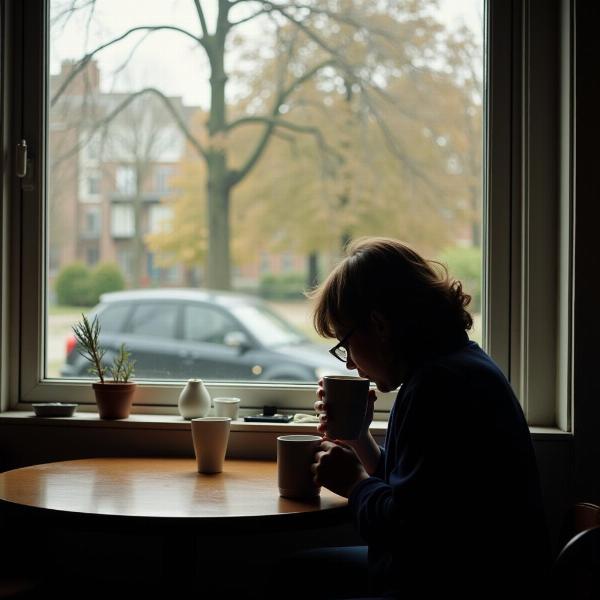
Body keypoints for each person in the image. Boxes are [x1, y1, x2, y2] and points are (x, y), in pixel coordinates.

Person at [307, 237, 551, 600]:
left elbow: (407, 529)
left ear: (379, 326)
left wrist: (355, 484)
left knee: (292, 576)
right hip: (465, 575)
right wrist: (359, 438)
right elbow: (419, 496)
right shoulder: (456, 365)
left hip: (456, 586)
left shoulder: (438, 386)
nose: (349, 363)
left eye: (346, 343)